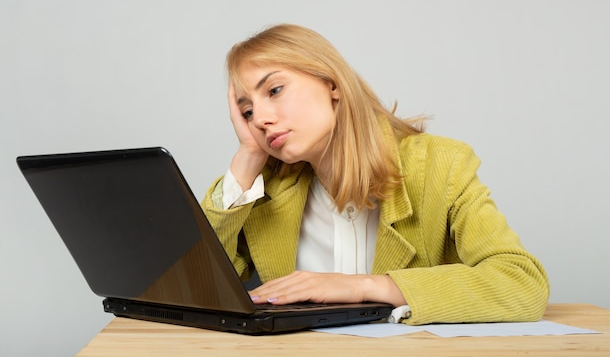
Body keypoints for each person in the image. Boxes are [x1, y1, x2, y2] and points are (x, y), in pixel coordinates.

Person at [200, 24, 549, 325]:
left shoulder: (441, 166)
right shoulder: (263, 191)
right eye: (247, 112)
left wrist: (364, 286)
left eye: (274, 91)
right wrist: (246, 159)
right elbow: (196, 283)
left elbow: (522, 283)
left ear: (332, 84)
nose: (260, 119)